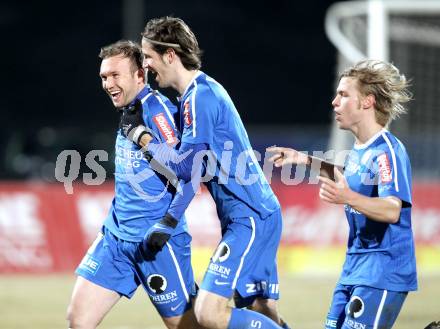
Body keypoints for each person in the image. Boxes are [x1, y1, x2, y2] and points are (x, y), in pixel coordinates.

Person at [121, 16, 291, 329]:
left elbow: (186, 166)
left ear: (170, 55)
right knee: (261, 311)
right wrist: (170, 220)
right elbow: (195, 171)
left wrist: (141, 137)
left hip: (250, 217)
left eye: (148, 56)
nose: (145, 65)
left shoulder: (200, 97)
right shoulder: (194, 95)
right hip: (253, 214)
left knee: (208, 313)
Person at [267, 59, 417, 329]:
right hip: (354, 267)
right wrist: (302, 160)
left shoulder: (388, 152)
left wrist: (347, 197)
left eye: (344, 95)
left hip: (383, 270)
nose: (335, 102)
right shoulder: (361, 149)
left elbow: (393, 209)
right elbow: (349, 176)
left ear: (367, 102)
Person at [66, 40, 201, 329]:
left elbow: (189, 173)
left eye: (116, 75)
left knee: (189, 326)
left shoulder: (158, 111)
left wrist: (167, 223)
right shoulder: (129, 110)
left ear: (141, 74)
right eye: (104, 77)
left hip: (157, 244)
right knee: (78, 320)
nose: (108, 84)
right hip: (115, 240)